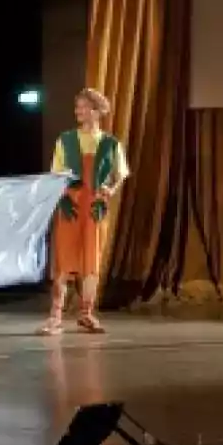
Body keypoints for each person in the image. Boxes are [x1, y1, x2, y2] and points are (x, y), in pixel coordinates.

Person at [39, 87, 129, 336]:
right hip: (71, 205)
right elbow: (56, 174)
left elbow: (120, 174)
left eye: (83, 107)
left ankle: (86, 314)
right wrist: (62, 197)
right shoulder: (65, 140)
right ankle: (55, 316)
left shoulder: (110, 143)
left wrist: (110, 190)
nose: (78, 111)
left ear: (96, 111)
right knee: (64, 260)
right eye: (77, 106)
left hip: (94, 207)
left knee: (91, 261)